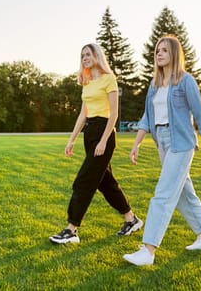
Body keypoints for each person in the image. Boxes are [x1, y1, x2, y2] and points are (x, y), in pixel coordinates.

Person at [123, 35, 201, 266]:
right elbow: (147, 117)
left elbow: (200, 116)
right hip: (163, 142)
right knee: (184, 193)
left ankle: (148, 250)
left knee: (164, 193)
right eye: (157, 50)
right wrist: (136, 143)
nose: (159, 53)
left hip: (182, 142)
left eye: (164, 50)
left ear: (174, 54)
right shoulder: (154, 85)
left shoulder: (185, 81)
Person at [49, 43, 143, 244]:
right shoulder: (87, 82)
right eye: (82, 55)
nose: (84, 58)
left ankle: (71, 229)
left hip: (104, 133)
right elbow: (83, 113)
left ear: (97, 56)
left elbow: (114, 113)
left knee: (84, 181)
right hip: (90, 133)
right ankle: (131, 219)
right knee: (106, 182)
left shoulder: (109, 79)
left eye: (88, 54)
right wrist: (72, 139)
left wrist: (103, 140)